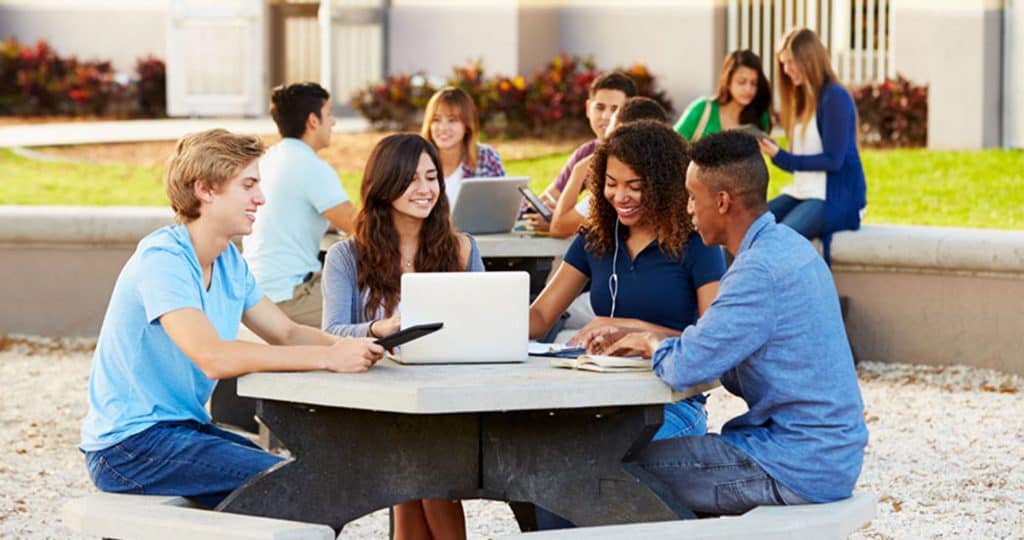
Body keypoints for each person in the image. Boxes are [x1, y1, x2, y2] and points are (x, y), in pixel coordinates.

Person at [79, 129, 384, 509]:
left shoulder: (227, 260)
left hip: (184, 432)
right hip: (129, 447)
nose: (261, 198)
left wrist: (360, 348)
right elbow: (213, 358)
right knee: (299, 489)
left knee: (306, 482)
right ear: (206, 189)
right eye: (248, 185)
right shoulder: (163, 259)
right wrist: (328, 358)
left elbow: (286, 332)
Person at [595, 130, 868, 517]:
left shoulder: (757, 272)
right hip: (826, 456)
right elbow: (715, 348)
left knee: (606, 472)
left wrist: (649, 343)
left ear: (722, 202)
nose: (687, 209)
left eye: (692, 197)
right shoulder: (788, 246)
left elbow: (685, 367)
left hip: (792, 464)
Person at [528, 121, 726, 528]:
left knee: (602, 473)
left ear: (665, 183)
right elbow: (540, 317)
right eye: (611, 183)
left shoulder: (696, 245)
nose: (621, 196)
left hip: (670, 402)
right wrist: (476, 315)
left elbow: (714, 338)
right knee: (550, 478)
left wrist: (632, 329)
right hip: (598, 398)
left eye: (635, 185)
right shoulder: (595, 239)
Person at [321, 133, 481, 539]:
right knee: (421, 462)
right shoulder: (346, 256)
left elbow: (485, 323)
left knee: (417, 467)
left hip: (448, 398)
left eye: (432, 177)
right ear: (384, 185)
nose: (425, 190)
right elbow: (333, 332)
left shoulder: (461, 249)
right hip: (375, 399)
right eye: (411, 180)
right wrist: (381, 328)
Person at [242, 82, 355, 327]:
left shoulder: (270, 158)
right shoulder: (309, 165)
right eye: (329, 114)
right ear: (313, 121)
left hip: (259, 288)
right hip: (289, 295)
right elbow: (361, 228)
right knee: (375, 307)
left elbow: (286, 218)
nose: (333, 122)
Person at [758, 28, 867, 261]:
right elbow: (802, 165)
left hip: (833, 198)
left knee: (778, 239)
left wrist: (783, 156)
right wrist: (775, 154)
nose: (786, 70)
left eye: (790, 62)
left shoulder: (834, 97)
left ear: (808, 59)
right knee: (750, 226)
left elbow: (833, 160)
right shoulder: (803, 101)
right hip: (804, 192)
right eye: (782, 64)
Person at [525, 71, 637, 232]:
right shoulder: (586, 153)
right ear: (588, 109)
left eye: (614, 110)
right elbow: (546, 199)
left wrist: (563, 223)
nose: (606, 116)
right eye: (600, 107)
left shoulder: (634, 156)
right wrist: (546, 214)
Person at [548, 96, 670, 238]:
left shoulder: (618, 190)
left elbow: (559, 227)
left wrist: (579, 170)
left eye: (610, 130)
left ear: (621, 132)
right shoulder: (672, 175)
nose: (605, 139)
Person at [420, 86, 506, 205]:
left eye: (452, 120)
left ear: (467, 125)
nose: (443, 128)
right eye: (436, 120)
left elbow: (509, 205)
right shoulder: (416, 161)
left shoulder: (486, 157)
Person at [674, 49, 773, 141]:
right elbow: (672, 146)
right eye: (741, 82)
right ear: (728, 82)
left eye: (753, 83)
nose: (748, 89)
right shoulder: (702, 109)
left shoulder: (761, 117)